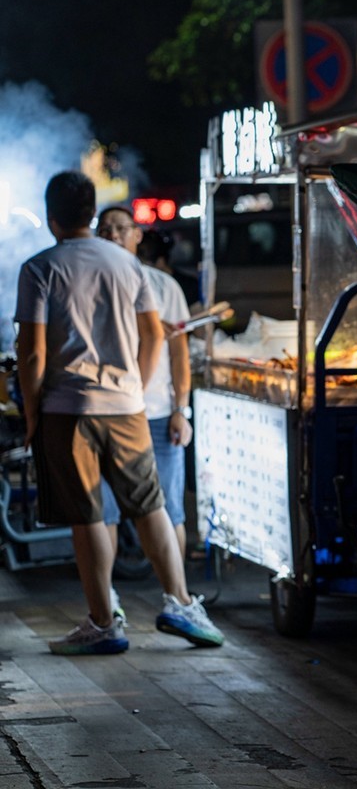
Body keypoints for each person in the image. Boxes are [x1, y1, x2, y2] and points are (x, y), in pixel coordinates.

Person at [15, 171, 223, 655]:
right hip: (127, 406)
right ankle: (180, 602)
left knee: (87, 515)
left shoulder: (41, 267)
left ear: (51, 219)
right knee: (150, 505)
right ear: (93, 213)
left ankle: (105, 623)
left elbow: (32, 355)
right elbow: (155, 335)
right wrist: (136, 383)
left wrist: (32, 415)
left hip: (67, 410)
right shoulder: (129, 265)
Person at [96, 206, 192, 566]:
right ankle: (106, 600)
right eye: (106, 230)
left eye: (122, 229)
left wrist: (181, 410)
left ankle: (177, 593)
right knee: (103, 512)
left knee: (168, 507)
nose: (114, 236)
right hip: (106, 412)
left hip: (156, 413)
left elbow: (180, 355)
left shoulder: (164, 286)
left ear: (137, 235)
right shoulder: (89, 281)